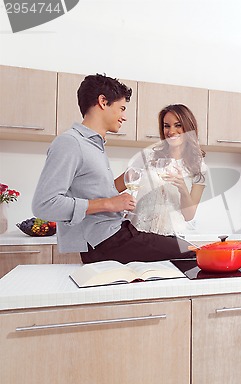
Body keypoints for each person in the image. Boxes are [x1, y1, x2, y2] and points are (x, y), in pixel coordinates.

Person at [32, 74, 195, 264]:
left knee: (178, 255)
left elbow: (102, 190)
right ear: (103, 102)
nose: (124, 117)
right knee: (190, 252)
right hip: (106, 241)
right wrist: (109, 204)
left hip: (115, 234)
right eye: (122, 108)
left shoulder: (94, 145)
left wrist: (135, 176)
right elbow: (44, 205)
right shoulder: (70, 143)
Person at [114, 104, 208, 236]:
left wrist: (182, 188)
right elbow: (114, 188)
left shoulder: (198, 167)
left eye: (178, 125)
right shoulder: (147, 156)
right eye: (166, 126)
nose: (171, 131)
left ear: (188, 127)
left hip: (172, 235)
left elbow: (189, 216)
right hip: (139, 232)